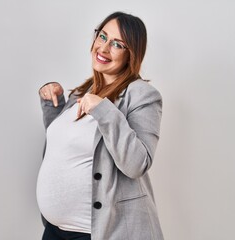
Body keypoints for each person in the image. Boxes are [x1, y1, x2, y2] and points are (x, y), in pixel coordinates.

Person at [36, 11, 164, 240]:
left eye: (117, 44)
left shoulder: (143, 95)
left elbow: (137, 164)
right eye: (102, 37)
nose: (103, 48)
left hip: (99, 234)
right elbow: (66, 148)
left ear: (131, 54)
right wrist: (52, 103)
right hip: (55, 231)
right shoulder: (83, 91)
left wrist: (103, 110)